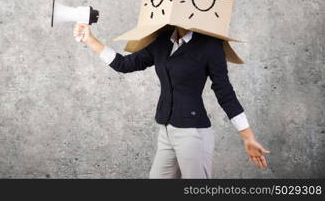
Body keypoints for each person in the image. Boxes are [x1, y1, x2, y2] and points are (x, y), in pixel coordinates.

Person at [73, 22, 271, 178]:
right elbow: (125, 64)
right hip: (166, 130)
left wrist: (247, 136)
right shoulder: (163, 41)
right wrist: (91, 40)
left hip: (193, 133)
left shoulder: (210, 45)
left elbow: (224, 91)